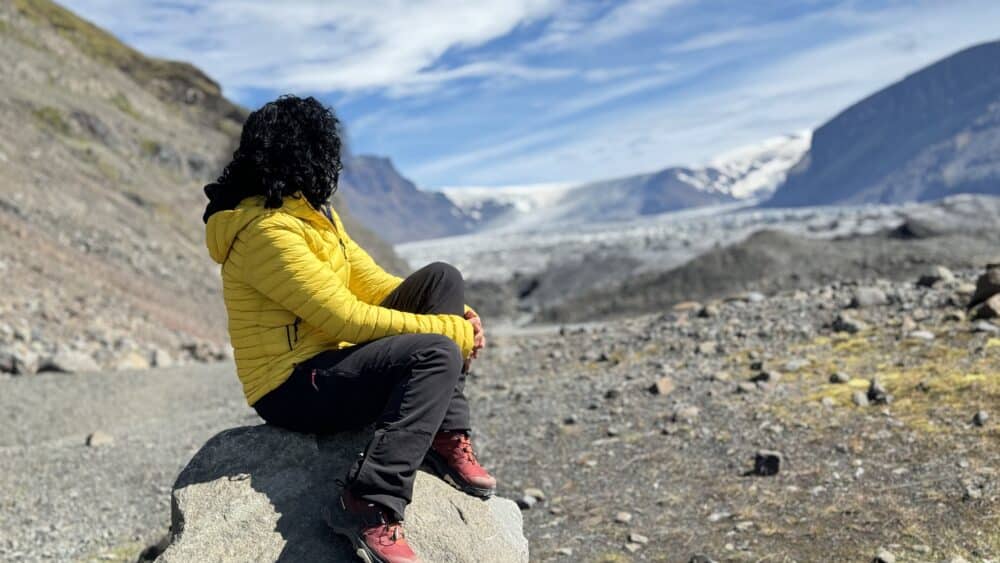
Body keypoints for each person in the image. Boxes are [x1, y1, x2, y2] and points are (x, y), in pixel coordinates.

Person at [202, 95, 495, 563]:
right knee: (436, 352)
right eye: (323, 149)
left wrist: (457, 314)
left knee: (443, 279)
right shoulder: (266, 232)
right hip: (292, 388)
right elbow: (343, 317)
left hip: (331, 365)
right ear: (302, 153)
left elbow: (373, 285)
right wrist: (450, 334)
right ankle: (368, 502)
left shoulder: (315, 216)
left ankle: (444, 435)